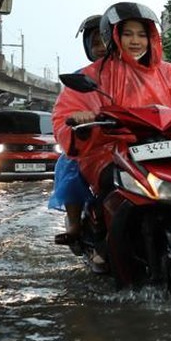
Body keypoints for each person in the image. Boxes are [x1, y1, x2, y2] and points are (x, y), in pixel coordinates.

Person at [52, 2, 171, 195]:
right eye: (128, 34)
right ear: (115, 36)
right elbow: (67, 113)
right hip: (112, 154)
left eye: (142, 35)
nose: (136, 41)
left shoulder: (170, 73)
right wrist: (81, 120)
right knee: (85, 178)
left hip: (169, 151)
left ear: (151, 37)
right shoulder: (95, 75)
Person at [49, 15, 107, 244]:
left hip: (135, 141)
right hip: (95, 143)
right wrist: (79, 120)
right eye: (96, 43)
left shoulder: (143, 74)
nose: (102, 48)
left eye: (106, 41)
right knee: (69, 164)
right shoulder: (80, 79)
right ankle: (74, 223)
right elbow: (63, 114)